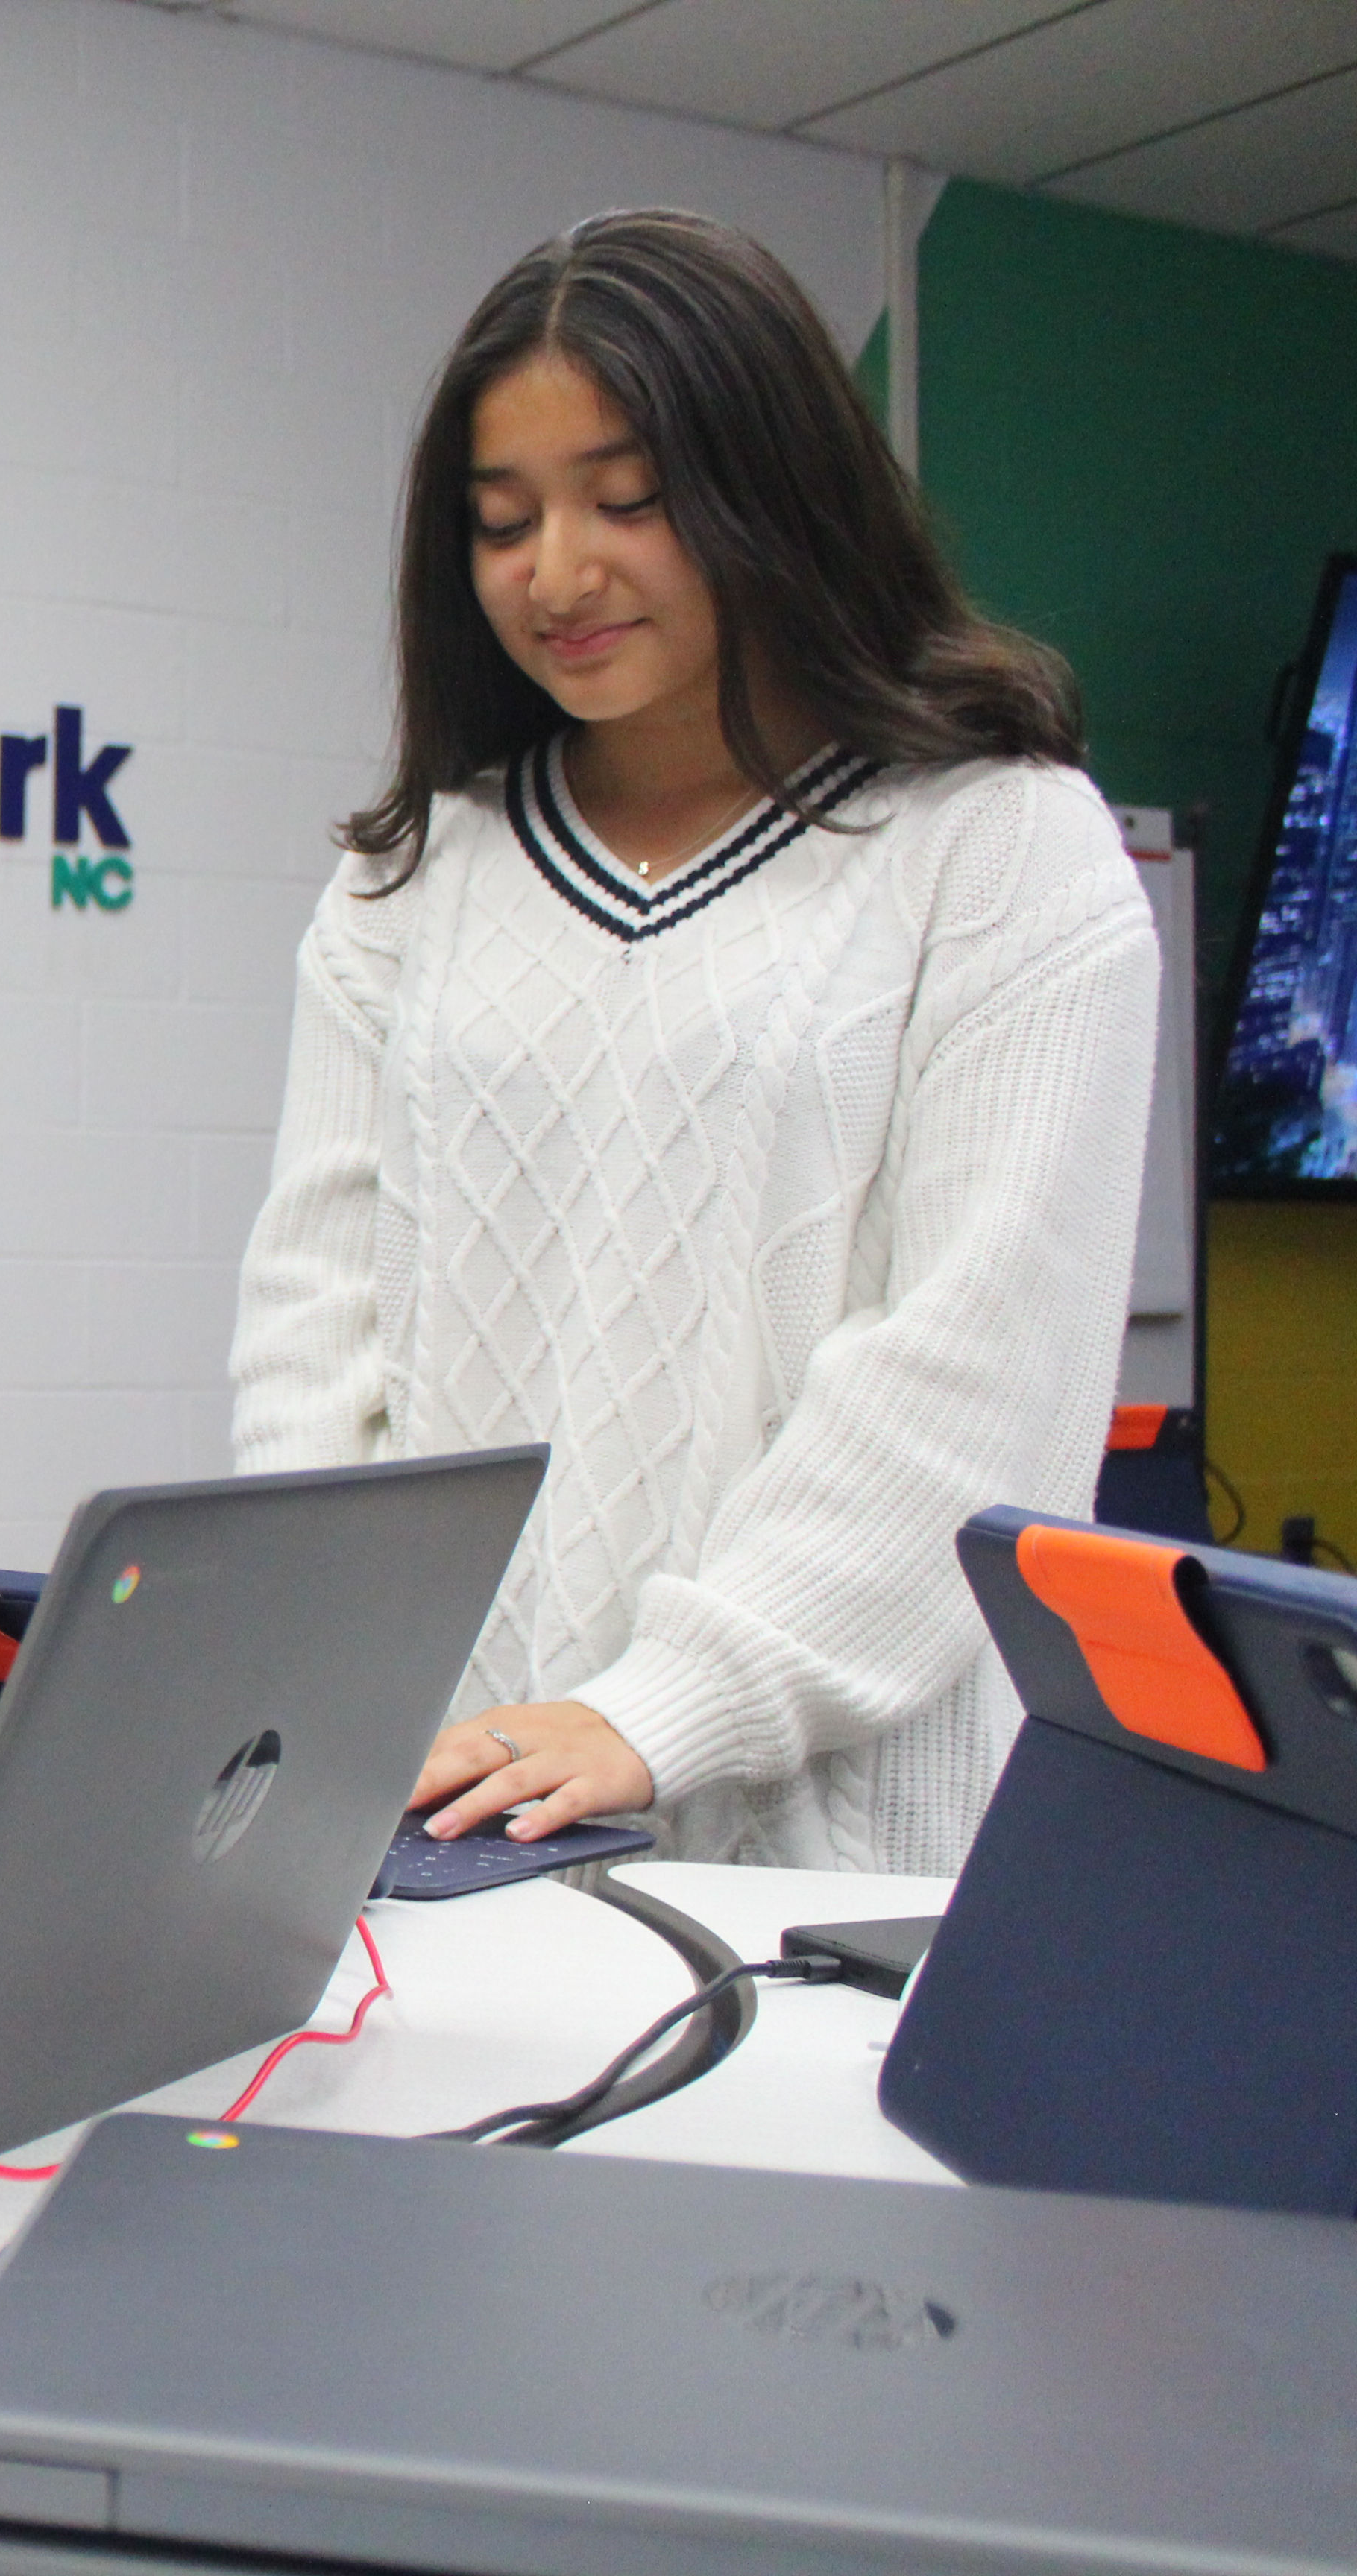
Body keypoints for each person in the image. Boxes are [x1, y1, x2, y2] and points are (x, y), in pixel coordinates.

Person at [230, 210, 1156, 1875]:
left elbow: (975, 1374)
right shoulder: (410, 878)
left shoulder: (1001, 849)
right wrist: (326, 1696)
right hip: (445, 1818)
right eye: (500, 521)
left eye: (630, 501)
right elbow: (315, 1334)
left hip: (847, 1858)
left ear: (776, 489)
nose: (555, 573)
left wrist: (663, 1707)